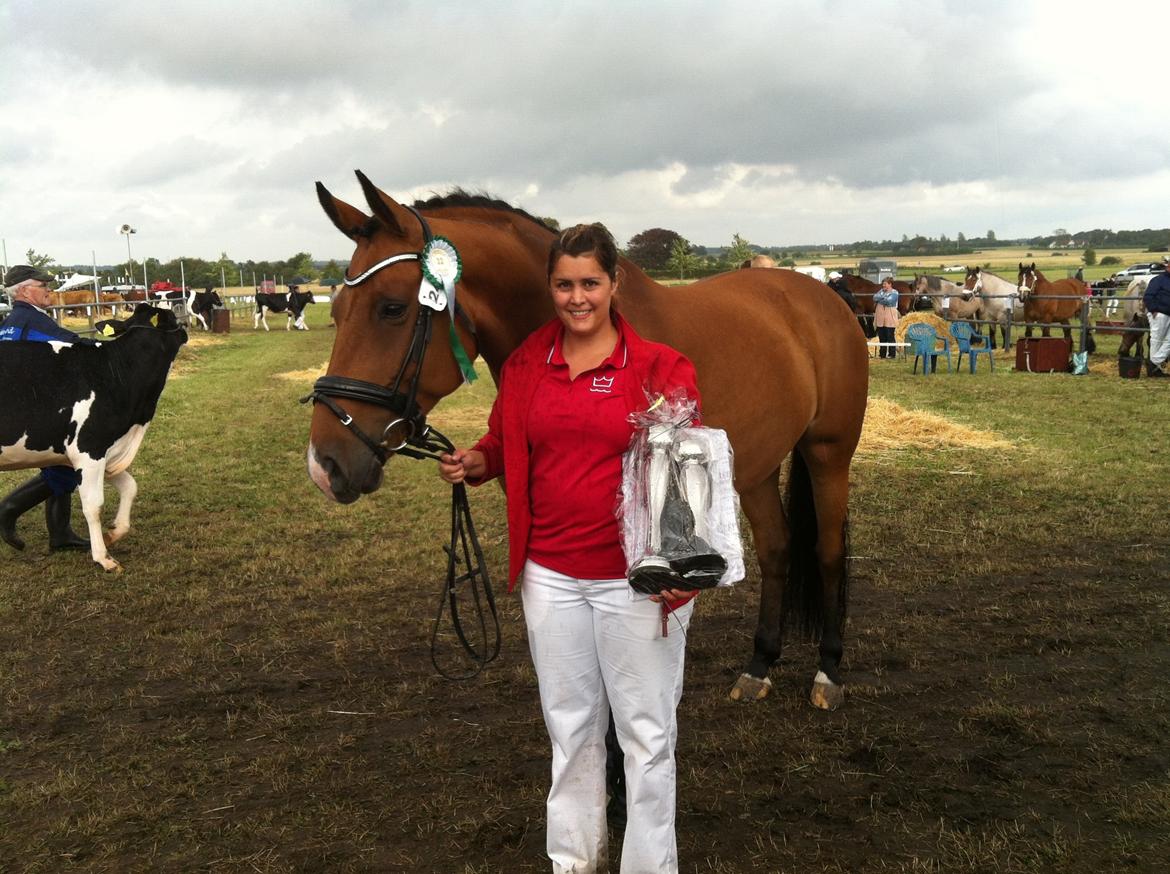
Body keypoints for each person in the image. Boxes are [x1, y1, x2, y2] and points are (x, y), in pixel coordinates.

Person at [438, 224, 701, 873]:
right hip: (549, 577)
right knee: (572, 729)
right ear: (550, 287)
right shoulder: (530, 361)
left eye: (589, 282)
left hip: (635, 581)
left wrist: (681, 564)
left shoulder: (661, 368)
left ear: (614, 285)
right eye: (564, 284)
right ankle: (572, 862)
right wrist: (479, 459)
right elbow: (507, 436)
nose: (576, 297)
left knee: (645, 736)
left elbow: (687, 475)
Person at [0, 265, 94, 551]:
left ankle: (60, 533)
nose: (49, 290)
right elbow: (75, 346)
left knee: (60, 464)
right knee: (63, 466)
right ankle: (7, 510)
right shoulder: (34, 322)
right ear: (26, 290)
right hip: (38, 408)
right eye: (44, 285)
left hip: (21, 405)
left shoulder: (11, 322)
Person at [1142, 256, 1170, 378]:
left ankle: (1154, 362)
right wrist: (1154, 310)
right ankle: (1155, 369)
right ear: (1167, 266)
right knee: (1156, 340)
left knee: (1164, 341)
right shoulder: (1158, 280)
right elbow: (1148, 296)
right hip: (1160, 314)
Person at [873, 276, 900, 359]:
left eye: (885, 284)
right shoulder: (881, 291)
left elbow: (889, 301)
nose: (883, 285)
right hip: (881, 317)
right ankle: (882, 354)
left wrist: (880, 299)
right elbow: (874, 297)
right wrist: (883, 297)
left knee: (890, 336)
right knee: (882, 336)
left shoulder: (895, 292)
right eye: (883, 284)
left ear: (890, 284)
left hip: (890, 317)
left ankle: (892, 354)